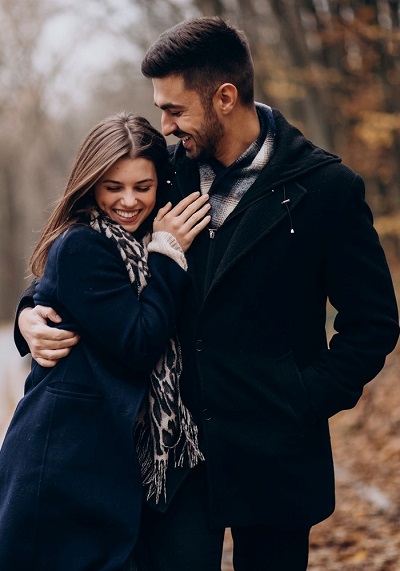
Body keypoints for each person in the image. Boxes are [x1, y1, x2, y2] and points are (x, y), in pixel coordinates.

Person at [15, 17, 399, 571]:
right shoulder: (162, 174)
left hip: (275, 455)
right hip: (174, 462)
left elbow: (373, 324)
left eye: (175, 109)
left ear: (224, 97)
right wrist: (30, 314)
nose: (165, 125)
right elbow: (86, 252)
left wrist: (304, 398)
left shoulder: (326, 189)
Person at [1, 111, 211, 571]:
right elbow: (138, 342)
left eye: (143, 186)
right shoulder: (85, 244)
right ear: (90, 184)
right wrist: (168, 257)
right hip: (65, 468)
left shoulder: (142, 240)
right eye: (113, 187)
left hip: (123, 463)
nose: (129, 201)